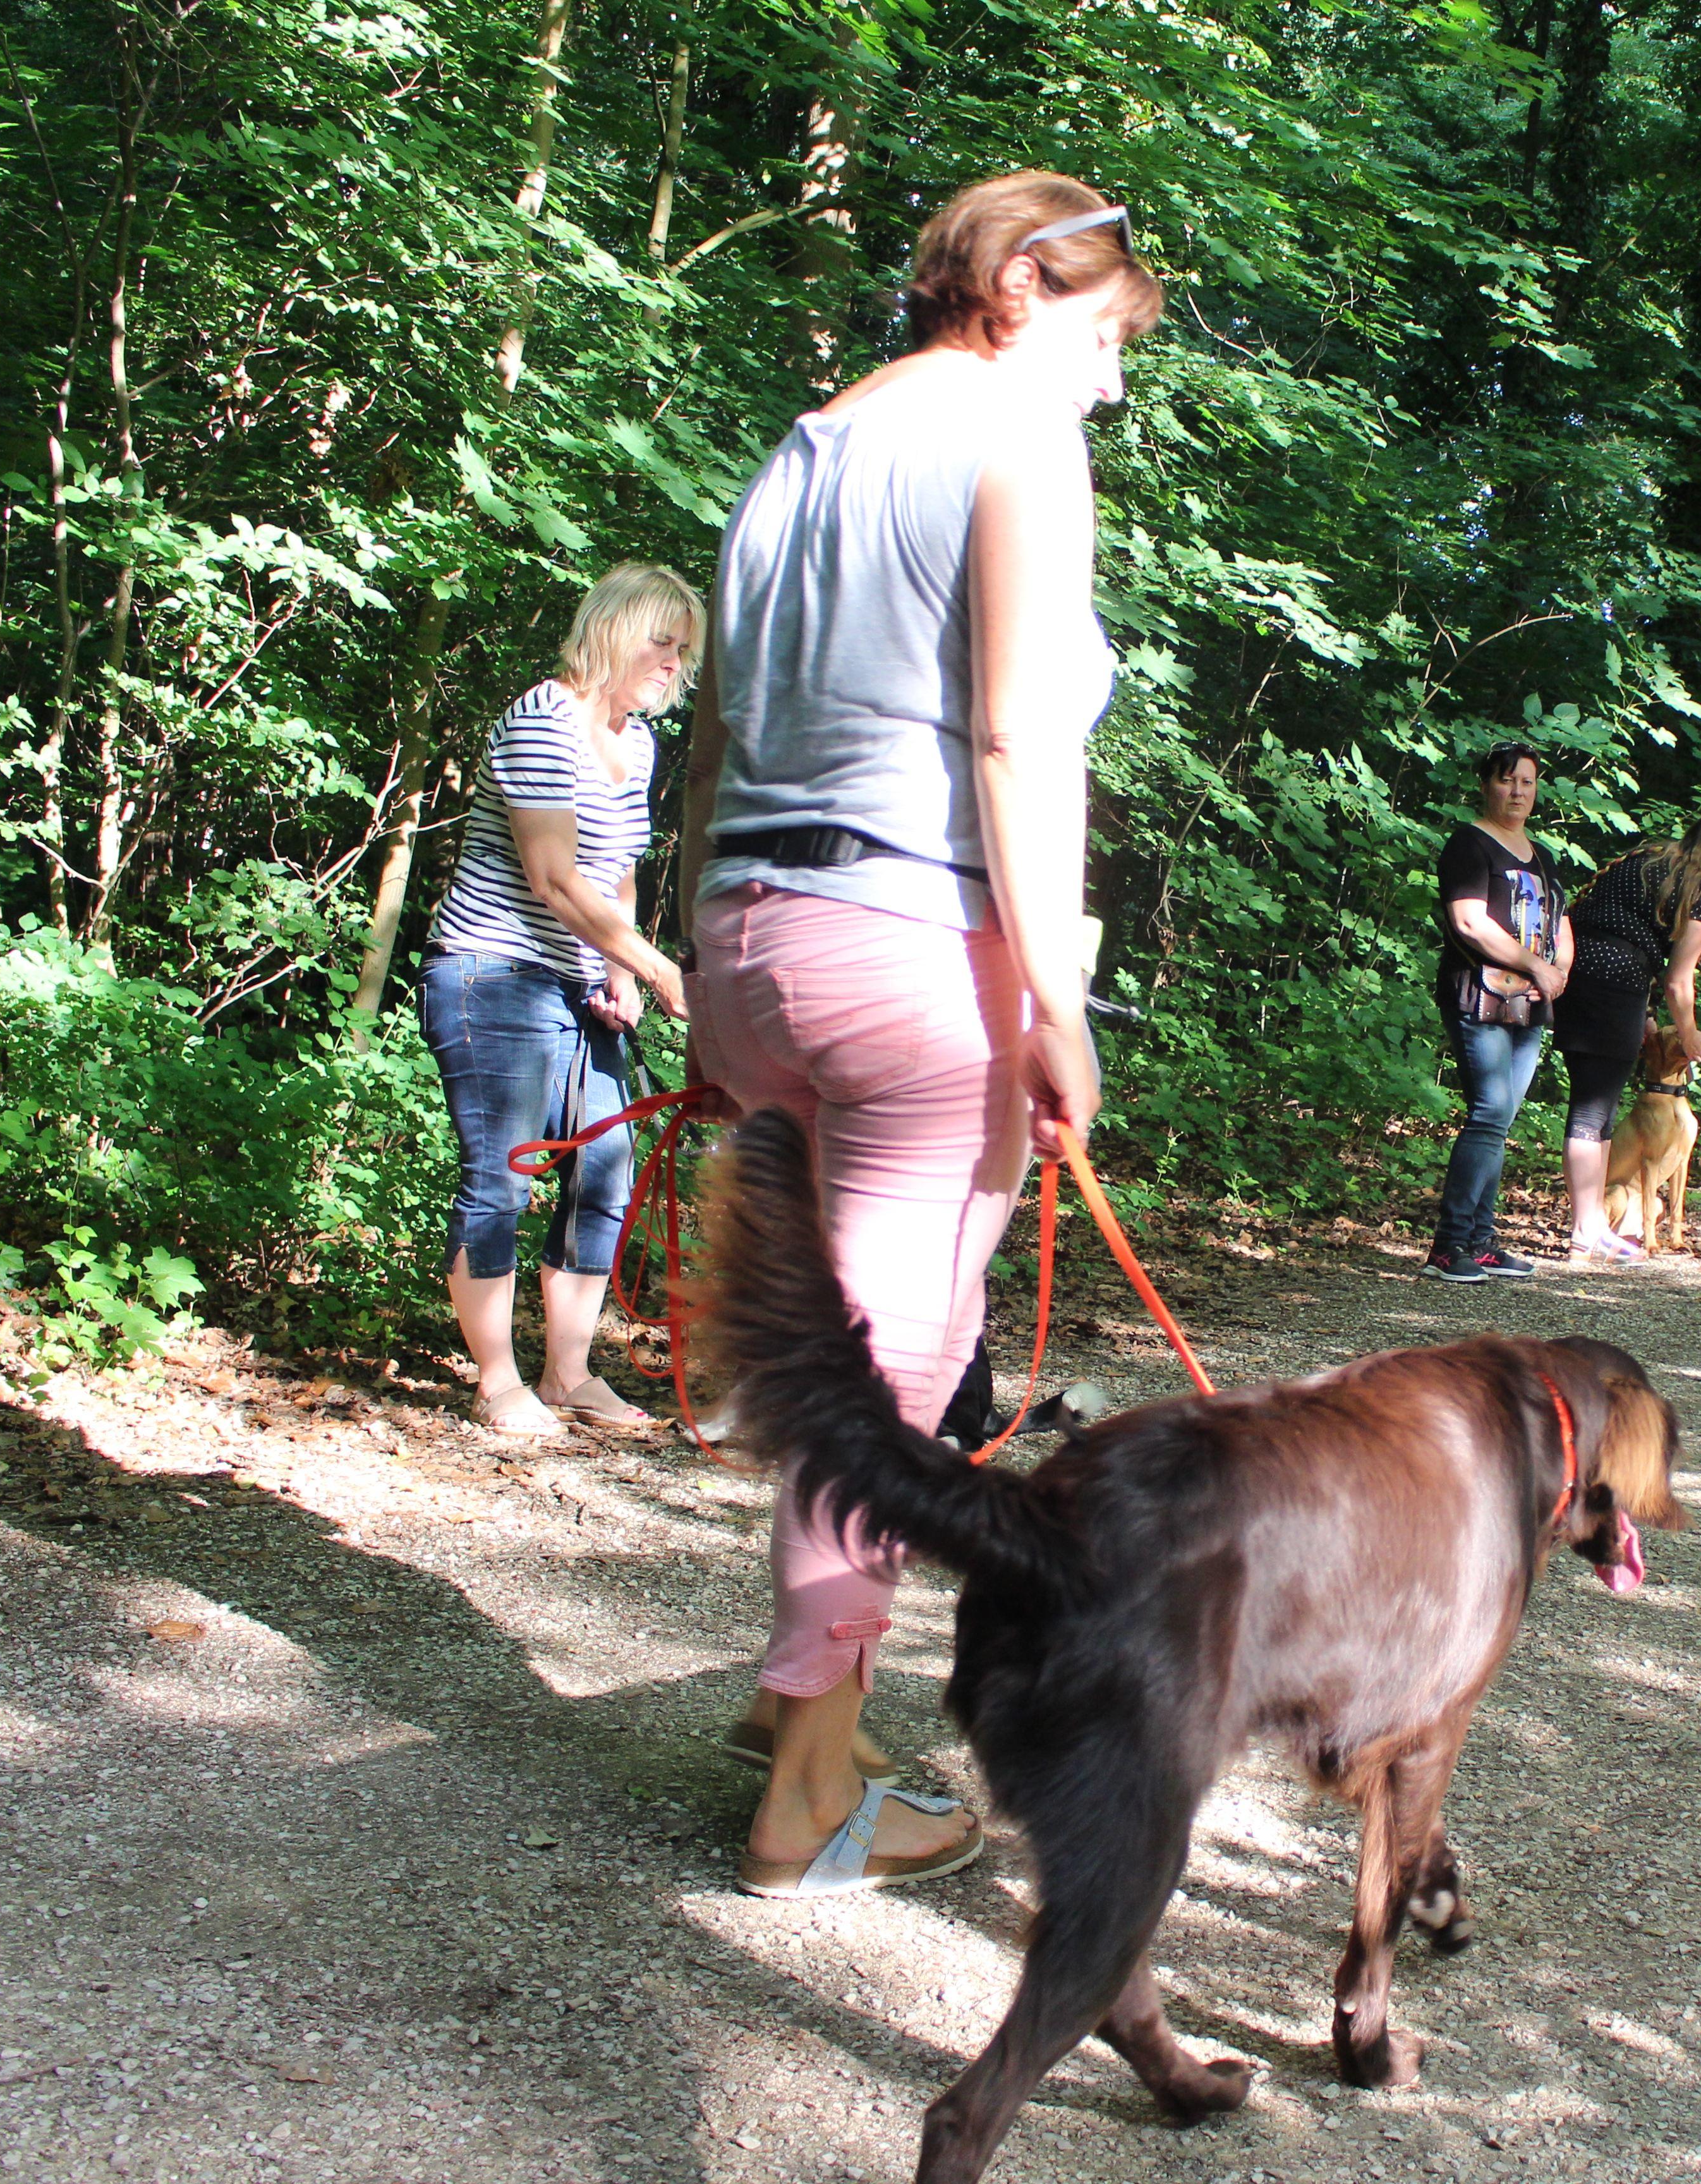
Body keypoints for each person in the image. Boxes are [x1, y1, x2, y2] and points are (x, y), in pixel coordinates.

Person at [677, 171, 1158, 1897]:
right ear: (1023, 284)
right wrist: (1054, 1002)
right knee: (885, 1387)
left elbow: (729, 733)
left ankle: (799, 1704)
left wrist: (705, 956)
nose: (1107, 381)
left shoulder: (800, 452)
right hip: (910, 949)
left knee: (834, 1354)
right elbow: (1022, 745)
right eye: (1104, 337)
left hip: (753, 938)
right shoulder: (1017, 438)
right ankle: (811, 1795)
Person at [416, 562, 699, 1436]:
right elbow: (551, 877)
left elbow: (616, 874)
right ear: (612, 630)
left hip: (578, 986)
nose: (672, 664)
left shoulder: (637, 741)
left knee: (606, 1172)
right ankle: (499, 1384)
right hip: (491, 973)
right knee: (500, 1177)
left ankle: (570, 1376)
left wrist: (617, 975)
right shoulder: (545, 720)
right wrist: (657, 968)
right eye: (661, 641)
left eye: (684, 651)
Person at [1550, 811, 1701, 1262]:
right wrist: (1690, 1035)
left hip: (1572, 977)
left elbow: (1603, 921)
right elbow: (1679, 982)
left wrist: (1642, 1014)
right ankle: (1585, 1233)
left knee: (1595, 1107)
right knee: (1591, 1114)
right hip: (1617, 983)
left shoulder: (1645, 859)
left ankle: (1593, 1226)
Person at [1425, 744, 1571, 1282]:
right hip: (1480, 996)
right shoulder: (1468, 845)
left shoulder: (1539, 853)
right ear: (1486, 783)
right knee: (1489, 1112)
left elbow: (1560, 923)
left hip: (1529, 1001)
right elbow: (1469, 923)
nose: (1518, 792)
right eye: (1508, 780)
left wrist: (1554, 975)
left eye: (1528, 783)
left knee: (1501, 1120)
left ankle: (1481, 1243)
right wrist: (1537, 965)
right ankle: (1448, 1246)